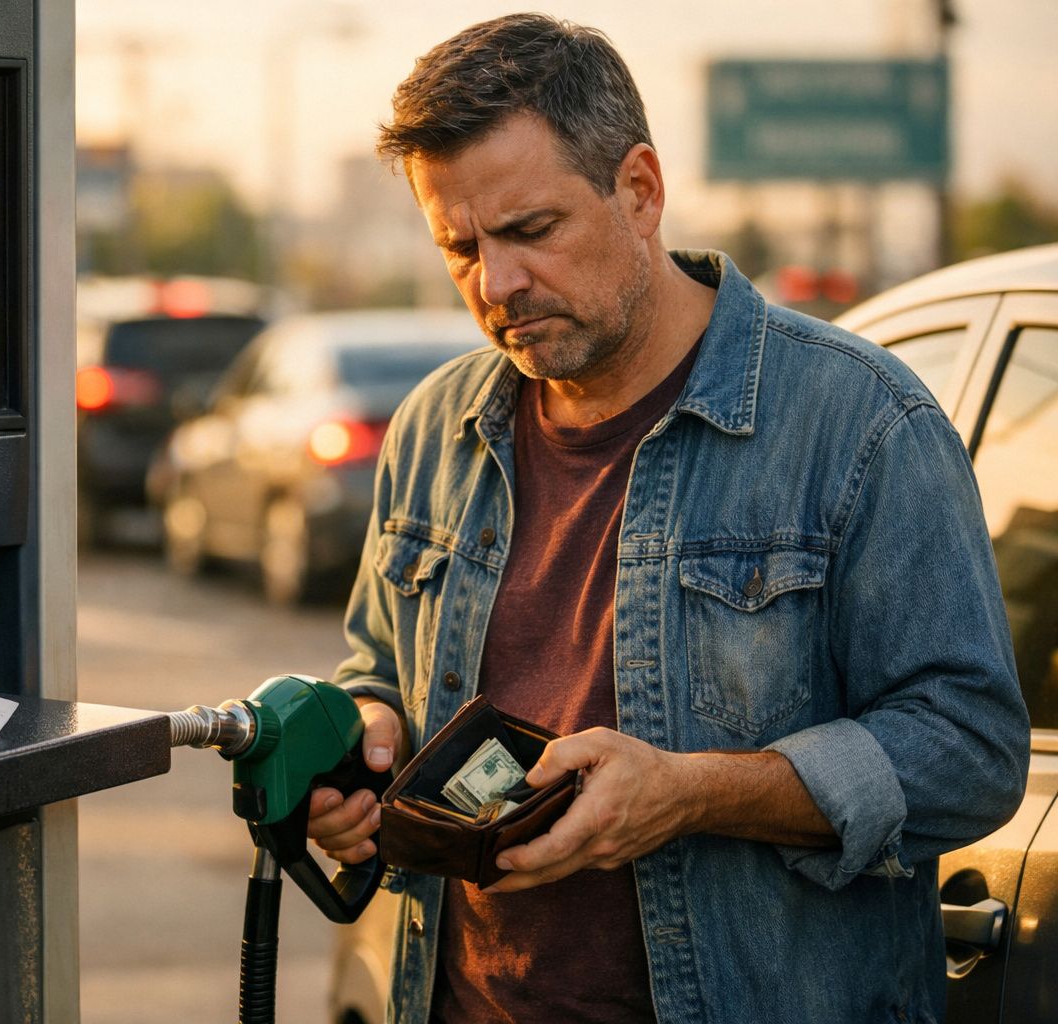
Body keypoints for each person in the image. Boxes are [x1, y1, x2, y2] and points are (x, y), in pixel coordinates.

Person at [305, 14, 1029, 1024]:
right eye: (459, 247)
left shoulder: (860, 422)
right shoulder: (436, 426)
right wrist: (367, 738)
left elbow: (970, 750)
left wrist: (691, 792)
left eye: (531, 230)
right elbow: (378, 663)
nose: (496, 282)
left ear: (640, 190)